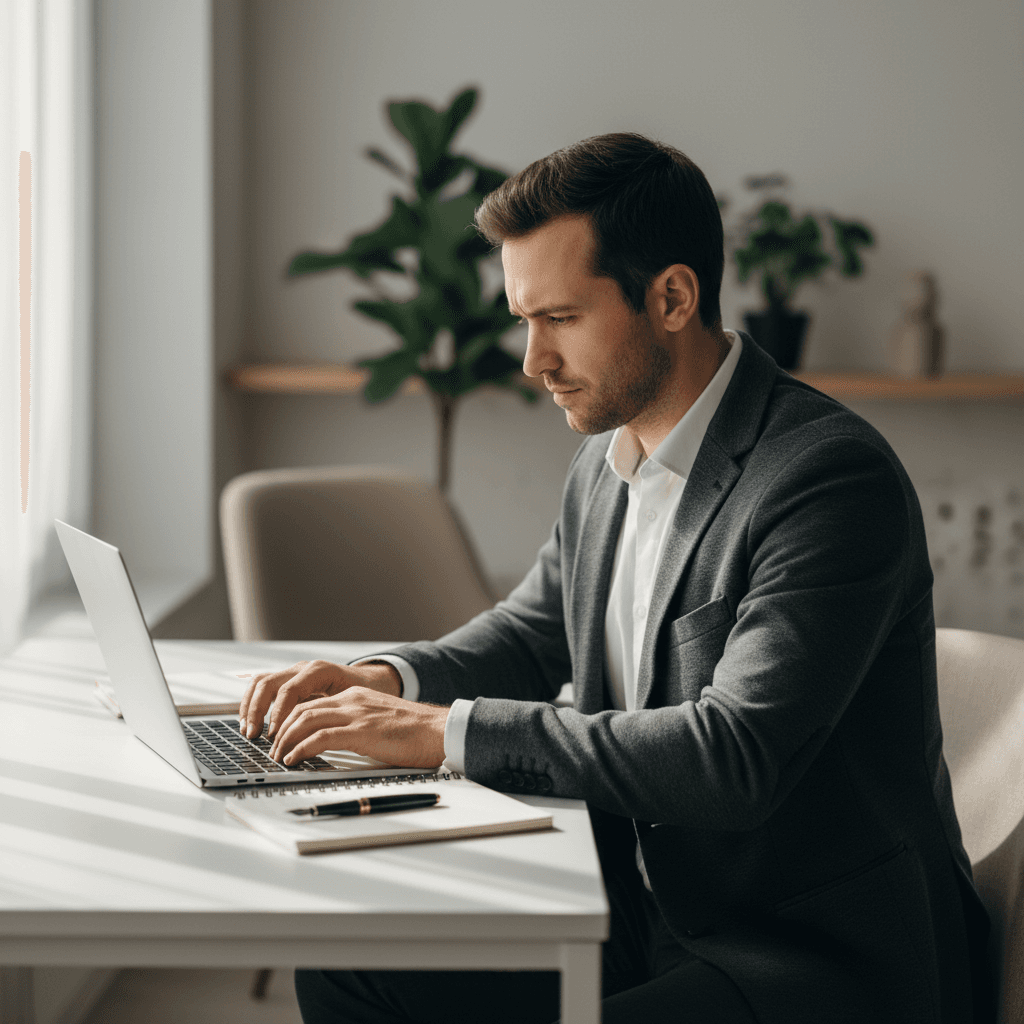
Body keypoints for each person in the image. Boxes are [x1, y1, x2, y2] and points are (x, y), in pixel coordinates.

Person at [238, 134, 991, 1024]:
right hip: (647, 912)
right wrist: (384, 681)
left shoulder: (826, 479)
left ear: (672, 297)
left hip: (808, 958)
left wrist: (446, 731)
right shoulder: (607, 460)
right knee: (351, 969)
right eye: (525, 320)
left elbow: (732, 758)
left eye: (558, 318)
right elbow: (533, 630)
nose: (532, 361)